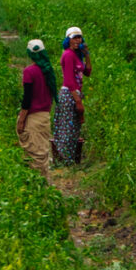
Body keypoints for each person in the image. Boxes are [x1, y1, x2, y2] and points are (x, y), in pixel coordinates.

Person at [18, 39, 58, 171]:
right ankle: (46, 184)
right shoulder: (48, 71)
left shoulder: (29, 72)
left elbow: (27, 98)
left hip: (33, 118)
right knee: (42, 152)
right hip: (45, 116)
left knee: (34, 155)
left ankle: (42, 186)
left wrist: (21, 120)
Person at [54, 26, 89, 166]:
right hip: (69, 94)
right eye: (74, 38)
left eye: (79, 37)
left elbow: (87, 72)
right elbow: (69, 80)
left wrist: (87, 55)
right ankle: (64, 160)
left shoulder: (76, 55)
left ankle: (69, 159)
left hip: (75, 93)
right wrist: (78, 100)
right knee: (67, 128)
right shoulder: (68, 55)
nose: (77, 40)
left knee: (74, 128)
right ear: (68, 40)